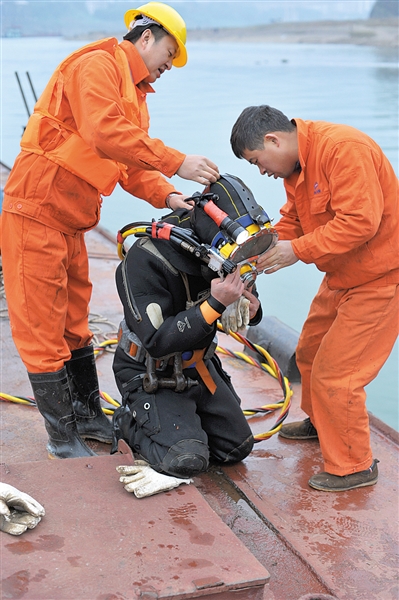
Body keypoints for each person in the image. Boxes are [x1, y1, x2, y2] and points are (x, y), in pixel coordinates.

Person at [1, 2, 219, 460]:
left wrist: (168, 195)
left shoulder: (135, 95)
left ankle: (87, 416)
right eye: (169, 53)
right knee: (41, 326)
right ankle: (62, 438)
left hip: (73, 219)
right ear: (146, 37)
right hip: (36, 209)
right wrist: (178, 161)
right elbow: (104, 132)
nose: (168, 67)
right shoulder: (97, 66)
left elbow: (126, 161)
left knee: (74, 323)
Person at [230, 104, 399, 492]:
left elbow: (361, 221)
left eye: (258, 161)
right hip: (341, 276)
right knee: (307, 354)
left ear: (274, 139)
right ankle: (324, 423)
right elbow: (293, 220)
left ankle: (354, 466)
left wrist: (298, 251)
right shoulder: (297, 166)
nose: (261, 171)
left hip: (379, 280)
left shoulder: (343, 148)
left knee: (337, 375)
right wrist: (253, 254)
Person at [111, 174, 275, 498]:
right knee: (187, 460)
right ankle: (126, 423)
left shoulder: (222, 253)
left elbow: (245, 307)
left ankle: (184, 421)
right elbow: (156, 341)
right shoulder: (145, 258)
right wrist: (215, 305)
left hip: (199, 366)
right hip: (149, 371)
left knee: (235, 447)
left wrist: (250, 308)